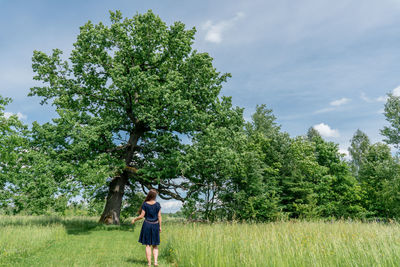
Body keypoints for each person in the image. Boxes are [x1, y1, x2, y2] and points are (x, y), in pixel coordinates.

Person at [132, 189, 162, 266]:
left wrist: (134, 219)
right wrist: (160, 226)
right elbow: (159, 216)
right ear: (155, 196)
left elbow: (142, 216)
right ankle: (155, 262)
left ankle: (149, 263)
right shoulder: (158, 204)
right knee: (155, 245)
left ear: (149, 195)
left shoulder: (145, 204)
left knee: (148, 245)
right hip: (155, 225)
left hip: (147, 225)